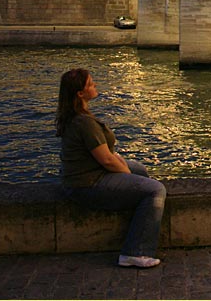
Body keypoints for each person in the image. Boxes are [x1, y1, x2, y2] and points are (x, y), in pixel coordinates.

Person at [55, 68, 166, 268]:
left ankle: (140, 215)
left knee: (139, 169)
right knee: (156, 189)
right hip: (87, 183)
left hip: (83, 175)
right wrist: (126, 174)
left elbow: (104, 154)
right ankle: (135, 252)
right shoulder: (84, 122)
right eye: (91, 83)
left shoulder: (75, 116)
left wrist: (129, 172)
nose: (95, 85)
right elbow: (106, 160)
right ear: (80, 94)